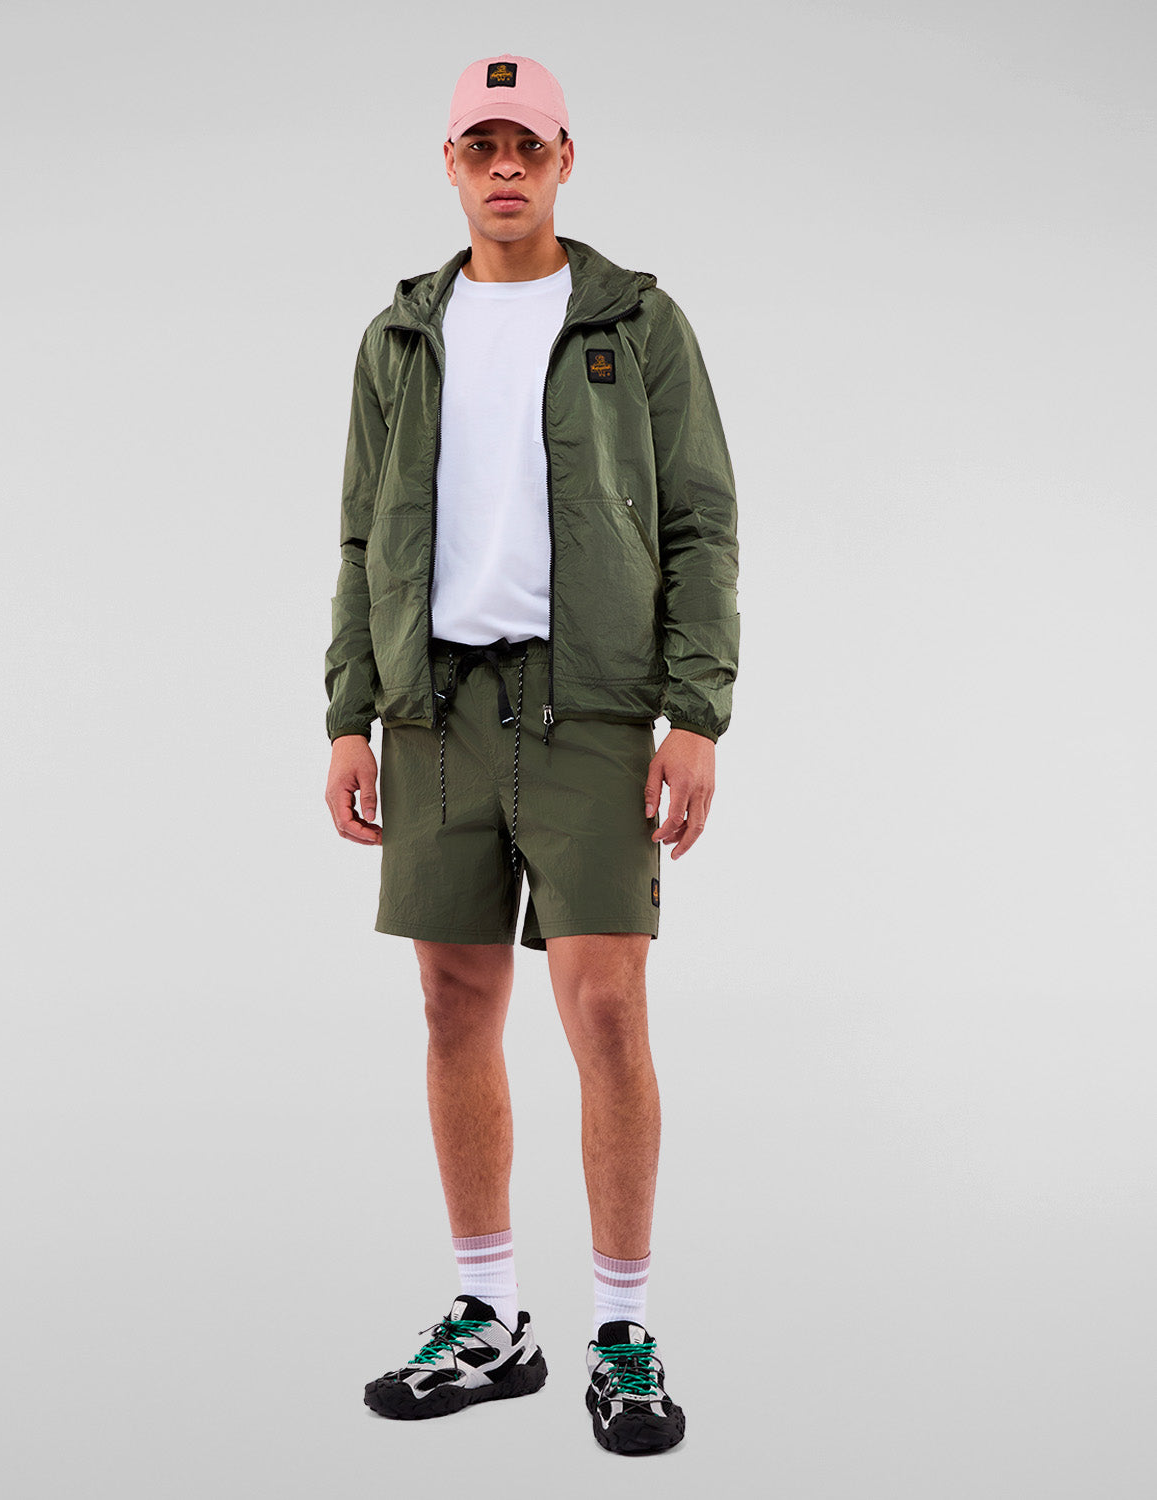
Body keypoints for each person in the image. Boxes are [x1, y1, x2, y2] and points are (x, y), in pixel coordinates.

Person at [324, 53, 739, 1456]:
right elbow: (361, 538)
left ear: (567, 159)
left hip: (594, 710)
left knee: (606, 1009)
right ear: (449, 164)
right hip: (433, 711)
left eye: (528, 145)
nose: (505, 167)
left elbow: (700, 523)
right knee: (454, 1004)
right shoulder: (400, 336)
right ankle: (491, 1315)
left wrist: (697, 713)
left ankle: (623, 1326)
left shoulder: (637, 320)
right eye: (479, 145)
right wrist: (348, 714)